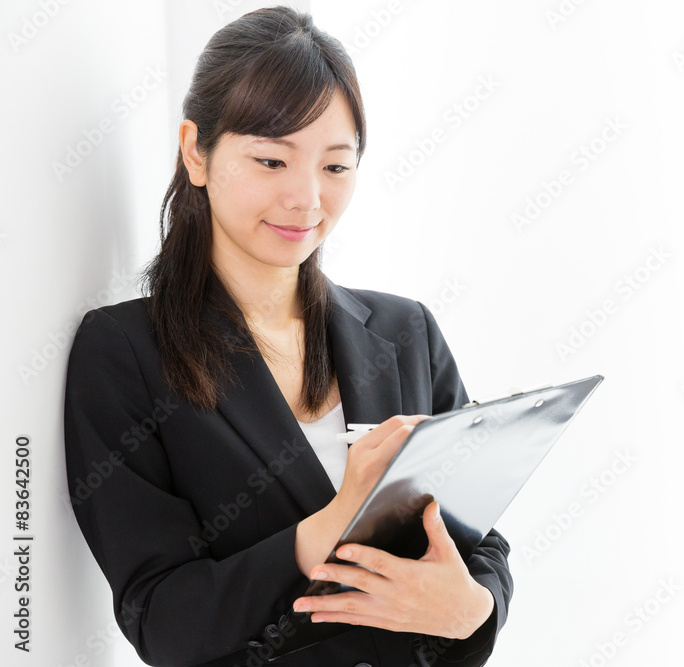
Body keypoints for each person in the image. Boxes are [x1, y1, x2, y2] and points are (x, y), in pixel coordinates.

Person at [62, 6, 512, 666]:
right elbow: (163, 619)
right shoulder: (125, 353)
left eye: (335, 167)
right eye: (272, 160)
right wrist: (334, 523)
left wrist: (473, 609)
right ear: (196, 151)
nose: (306, 199)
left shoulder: (407, 331)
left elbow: (481, 543)